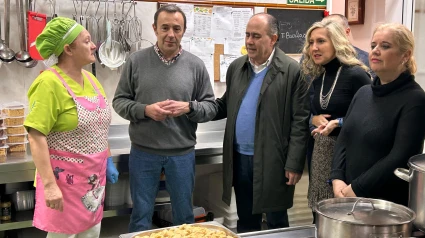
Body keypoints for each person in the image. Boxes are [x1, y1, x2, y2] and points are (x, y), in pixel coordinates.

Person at [112, 5, 217, 232]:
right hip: (143, 152)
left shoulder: (196, 65)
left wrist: (189, 107)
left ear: (183, 31)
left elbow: (210, 107)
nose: (171, 34)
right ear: (155, 29)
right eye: (165, 27)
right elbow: (119, 102)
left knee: (184, 217)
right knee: (140, 216)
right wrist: (145, 110)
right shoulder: (136, 62)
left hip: (182, 154)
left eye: (176, 28)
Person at [214, 13, 310, 233]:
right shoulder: (237, 67)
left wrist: (294, 163)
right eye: (247, 35)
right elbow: (225, 105)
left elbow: (300, 121)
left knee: (276, 220)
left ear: (273, 39)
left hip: (273, 160)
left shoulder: (291, 71)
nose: (249, 41)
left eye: (256, 36)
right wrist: (192, 108)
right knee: (246, 219)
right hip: (239, 158)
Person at [25, 17, 119, 237]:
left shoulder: (91, 79)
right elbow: (36, 135)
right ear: (68, 49)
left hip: (93, 182)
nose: (94, 45)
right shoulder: (49, 83)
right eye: (87, 41)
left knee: (91, 233)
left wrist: (108, 158)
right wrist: (49, 185)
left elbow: (98, 126)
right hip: (63, 183)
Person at [330, 23, 425, 206]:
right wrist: (337, 178)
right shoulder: (364, 93)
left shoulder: (415, 99)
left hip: (385, 205)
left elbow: (400, 156)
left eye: (385, 46)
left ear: (405, 55)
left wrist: (357, 187)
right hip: (348, 195)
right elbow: (344, 138)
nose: (375, 51)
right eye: (373, 45)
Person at [301, 19, 371, 220]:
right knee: (320, 216)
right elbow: (311, 112)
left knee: (344, 218)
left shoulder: (357, 74)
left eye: (321, 41)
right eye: (311, 42)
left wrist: (339, 122)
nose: (314, 47)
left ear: (337, 42)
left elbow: (370, 117)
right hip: (321, 155)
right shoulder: (318, 77)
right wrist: (313, 119)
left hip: (348, 159)